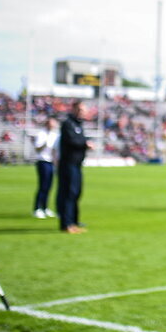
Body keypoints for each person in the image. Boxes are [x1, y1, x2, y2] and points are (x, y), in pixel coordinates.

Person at [57, 100, 94, 234]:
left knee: (76, 193)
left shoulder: (78, 124)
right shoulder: (68, 124)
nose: (82, 113)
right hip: (68, 164)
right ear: (74, 109)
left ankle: (74, 221)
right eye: (80, 110)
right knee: (69, 193)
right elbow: (73, 141)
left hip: (77, 164)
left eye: (84, 110)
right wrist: (86, 144)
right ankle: (66, 224)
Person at [32, 117, 59, 219]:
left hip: (51, 162)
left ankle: (45, 207)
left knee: (49, 186)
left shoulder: (55, 135)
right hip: (43, 161)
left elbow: (55, 150)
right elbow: (37, 148)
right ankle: (37, 208)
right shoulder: (42, 134)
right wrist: (44, 144)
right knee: (43, 186)